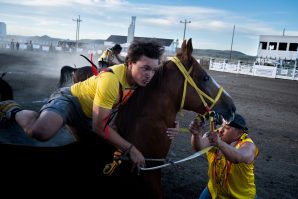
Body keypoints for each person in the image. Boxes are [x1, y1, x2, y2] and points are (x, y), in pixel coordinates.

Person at [0, 39, 167, 170]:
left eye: (153, 70)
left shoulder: (141, 81)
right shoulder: (111, 80)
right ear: (130, 63)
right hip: (72, 100)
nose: (149, 75)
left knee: (96, 153)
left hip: (92, 114)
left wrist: (173, 126)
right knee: (41, 132)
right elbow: (99, 127)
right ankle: (11, 109)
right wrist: (131, 148)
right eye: (145, 68)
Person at [189, 114, 259, 199]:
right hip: (214, 190)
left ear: (240, 132)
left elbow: (238, 157)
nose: (221, 131)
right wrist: (196, 135)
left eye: (227, 128)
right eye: (221, 126)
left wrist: (219, 143)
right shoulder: (217, 135)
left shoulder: (249, 146)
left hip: (240, 196)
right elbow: (198, 147)